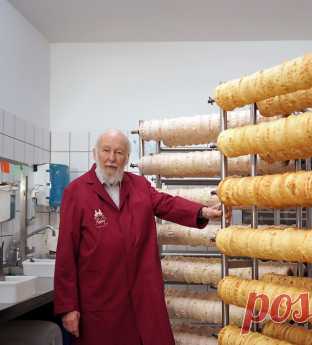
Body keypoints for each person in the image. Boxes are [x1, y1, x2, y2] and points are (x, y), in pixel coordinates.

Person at [54, 129, 222, 345]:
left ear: (127, 158)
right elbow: (66, 254)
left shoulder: (139, 185)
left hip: (143, 297)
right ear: (94, 153)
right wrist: (68, 308)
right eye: (106, 151)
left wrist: (202, 212)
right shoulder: (75, 193)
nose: (112, 158)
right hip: (101, 302)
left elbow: (166, 203)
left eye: (119, 152)